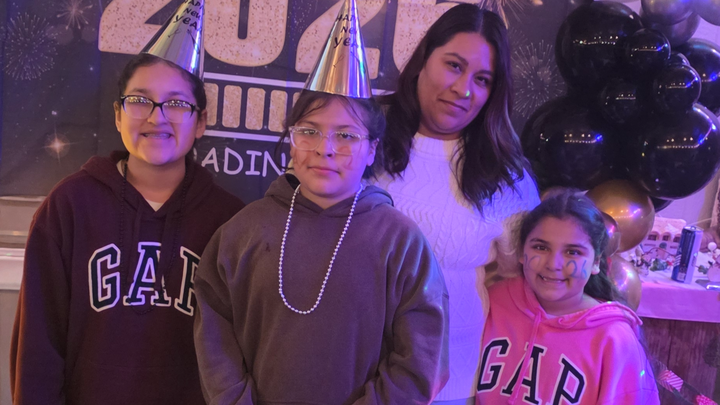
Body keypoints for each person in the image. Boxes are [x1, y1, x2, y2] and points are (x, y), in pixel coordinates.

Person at [193, 1, 448, 402]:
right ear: (292, 140)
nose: (324, 149)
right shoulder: (243, 231)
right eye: (309, 131)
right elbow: (214, 332)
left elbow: (420, 361)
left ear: (371, 149)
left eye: (346, 135)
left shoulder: (401, 243)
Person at [10, 2, 245, 403]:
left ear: (201, 122)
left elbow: (241, 353)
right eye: (140, 100)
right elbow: (38, 347)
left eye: (176, 103)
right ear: (118, 115)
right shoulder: (69, 207)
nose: (156, 117)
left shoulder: (230, 220)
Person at [373, 4, 540, 403]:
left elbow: (518, 278)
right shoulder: (364, 136)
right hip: (354, 365)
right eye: (453, 66)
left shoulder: (507, 177)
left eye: (482, 79)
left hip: (453, 380)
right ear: (423, 60)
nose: (464, 89)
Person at [475, 191, 660, 404]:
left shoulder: (614, 339)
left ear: (596, 263)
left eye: (573, 252)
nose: (553, 264)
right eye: (540, 247)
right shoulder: (493, 301)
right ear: (521, 252)